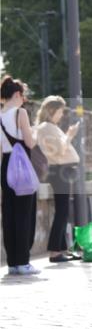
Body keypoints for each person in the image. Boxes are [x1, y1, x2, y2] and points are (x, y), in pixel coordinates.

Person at [33, 96, 81, 263]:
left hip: (60, 170)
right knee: (62, 210)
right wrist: (70, 134)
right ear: (52, 111)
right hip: (58, 170)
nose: (62, 115)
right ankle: (54, 251)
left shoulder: (49, 127)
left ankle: (61, 249)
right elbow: (59, 150)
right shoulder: (46, 127)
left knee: (63, 210)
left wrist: (67, 134)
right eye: (60, 111)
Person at [0, 77, 40, 275]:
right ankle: (24, 262)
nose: (23, 100)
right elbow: (30, 143)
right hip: (21, 166)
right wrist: (35, 133)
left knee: (9, 215)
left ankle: (13, 264)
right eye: (23, 96)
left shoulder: (0, 115)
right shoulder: (20, 113)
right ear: (17, 94)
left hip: (6, 166)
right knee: (25, 214)